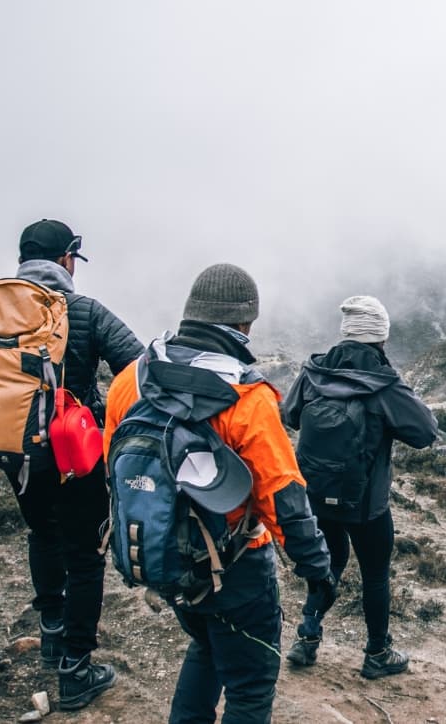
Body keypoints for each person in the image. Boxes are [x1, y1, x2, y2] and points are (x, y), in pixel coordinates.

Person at [104, 264, 335, 724]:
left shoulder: (134, 375)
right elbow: (282, 493)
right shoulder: (245, 394)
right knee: (250, 683)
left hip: (161, 556)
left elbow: (112, 462)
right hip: (235, 566)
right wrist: (316, 568)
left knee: (208, 646)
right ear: (245, 323)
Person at [9, 220, 142, 708]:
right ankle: (76, 670)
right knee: (85, 554)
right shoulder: (82, 310)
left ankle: (51, 633)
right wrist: (106, 415)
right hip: (74, 453)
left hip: (15, 453)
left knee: (42, 535)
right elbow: (138, 365)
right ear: (66, 260)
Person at [282, 295, 438, 676]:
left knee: (330, 562)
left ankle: (307, 638)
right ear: (380, 338)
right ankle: (377, 653)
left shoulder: (314, 372)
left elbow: (290, 415)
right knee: (375, 575)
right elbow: (425, 432)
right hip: (367, 504)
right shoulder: (384, 385)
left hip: (317, 496)